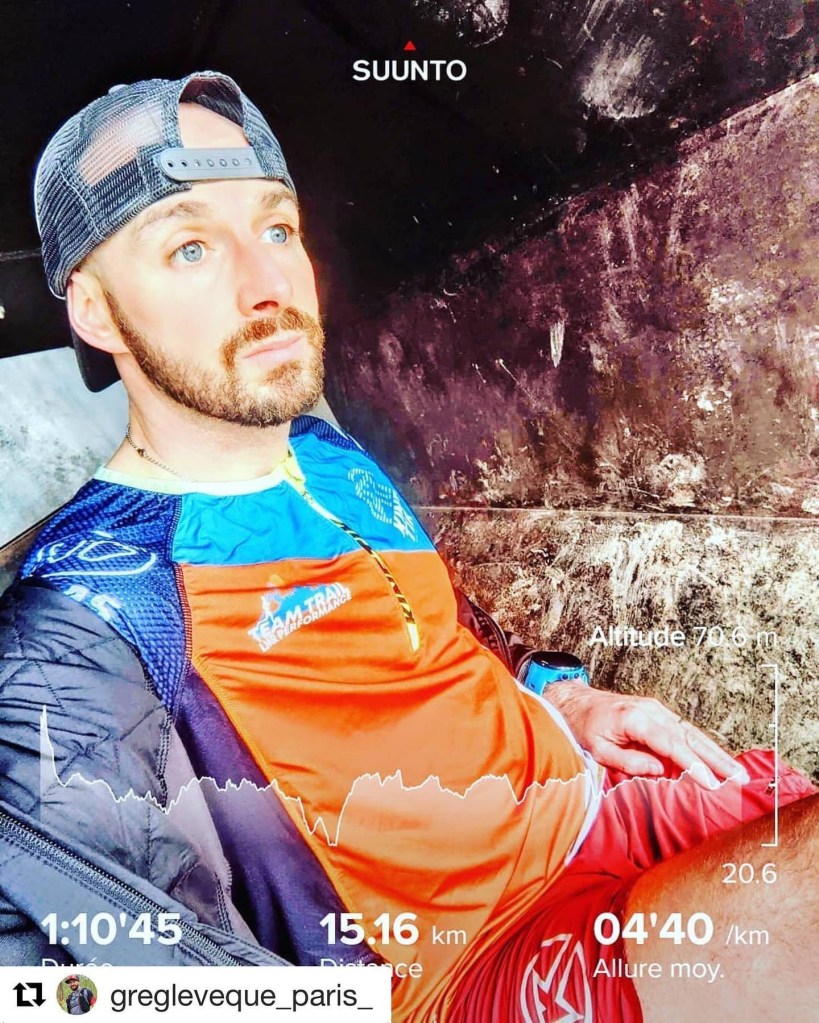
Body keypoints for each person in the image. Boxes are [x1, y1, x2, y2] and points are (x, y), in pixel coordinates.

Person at [0, 71, 815, 1022]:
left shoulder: (331, 454)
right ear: (96, 312)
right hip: (478, 968)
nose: (267, 286)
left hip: (595, 803)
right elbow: (67, 981)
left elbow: (443, 634)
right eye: (189, 248)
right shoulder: (85, 610)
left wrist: (562, 696)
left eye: (276, 230)